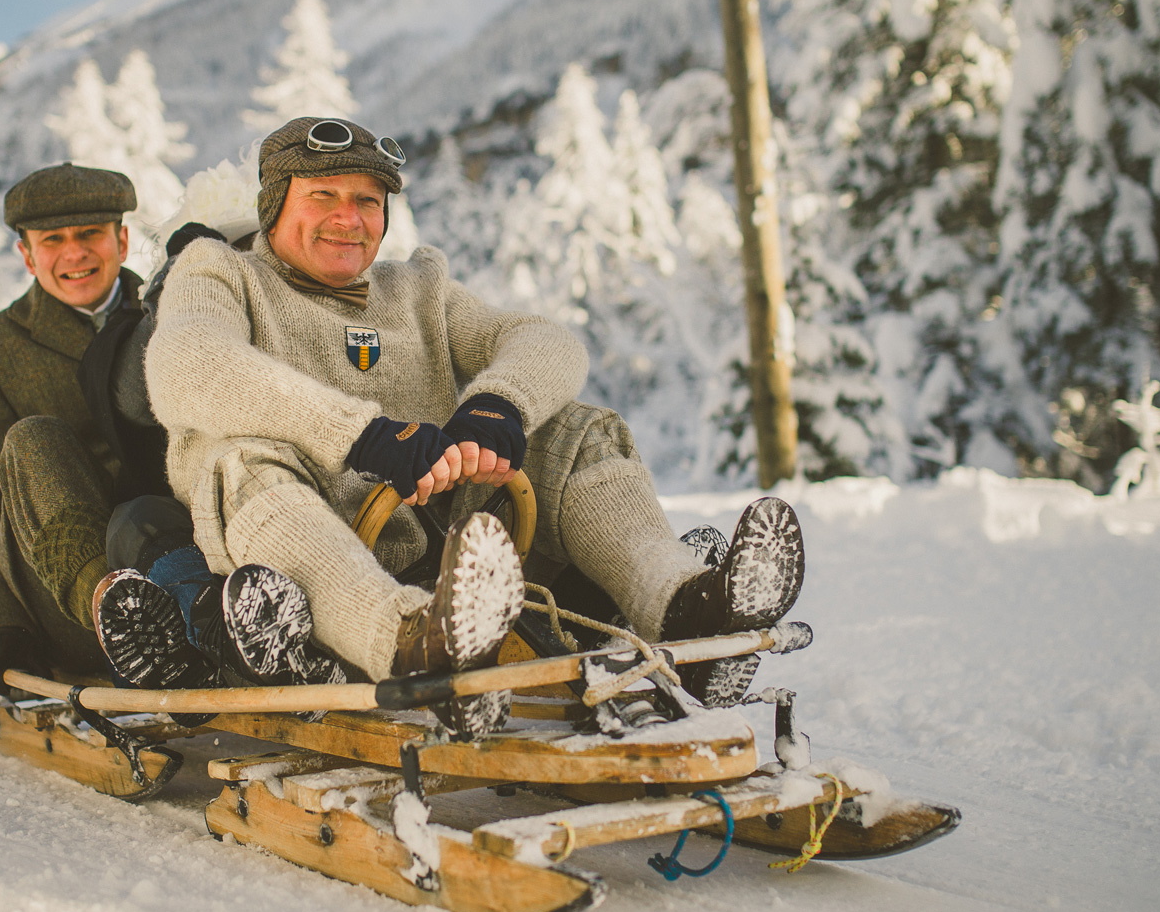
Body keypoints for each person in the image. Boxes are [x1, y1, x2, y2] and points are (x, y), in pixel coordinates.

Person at [118, 117, 802, 732]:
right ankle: (417, 648)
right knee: (241, 459)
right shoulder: (220, 272)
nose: (347, 218)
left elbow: (548, 340)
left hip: (454, 546)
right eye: (321, 196)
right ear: (273, 207)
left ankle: (685, 610)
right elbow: (186, 362)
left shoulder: (418, 290)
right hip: (308, 556)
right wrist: (362, 435)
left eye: (366, 201)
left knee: (579, 428)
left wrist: (498, 406)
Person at [0, 162, 195, 703]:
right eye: (53, 240)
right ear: (27, 256)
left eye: (90, 235)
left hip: (179, 562)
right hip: (67, 603)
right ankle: (119, 614)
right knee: (34, 439)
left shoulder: (180, 316)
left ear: (122, 241)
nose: (75, 253)